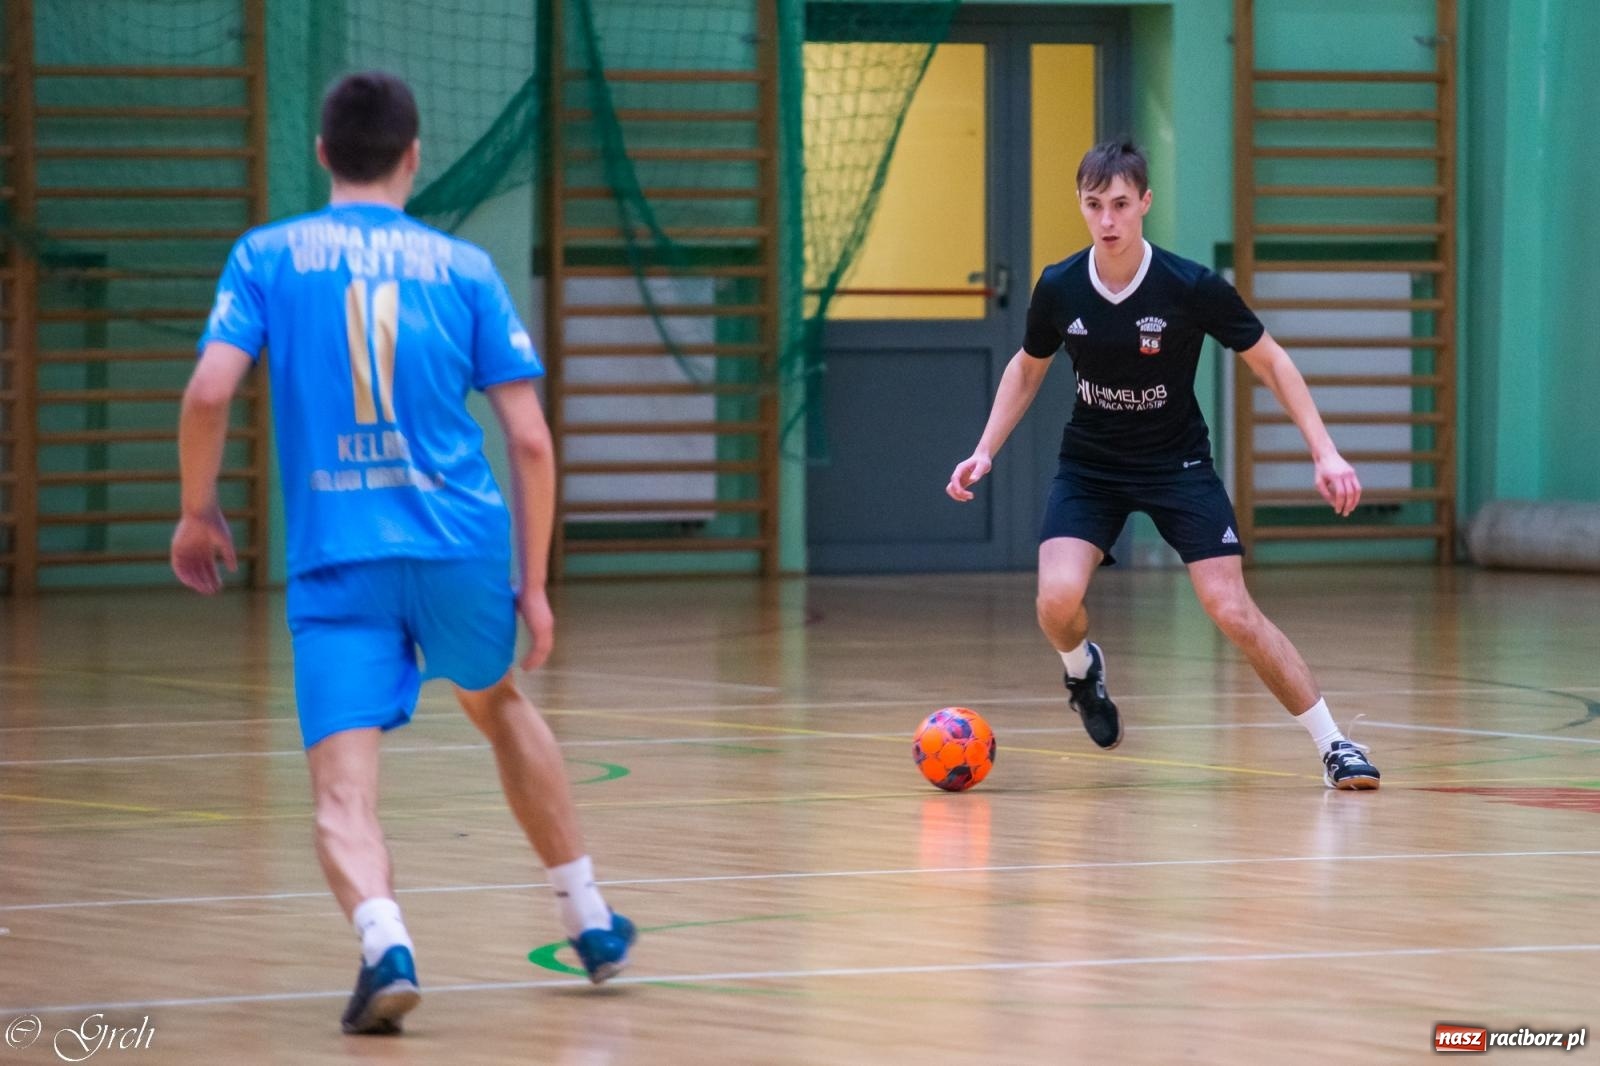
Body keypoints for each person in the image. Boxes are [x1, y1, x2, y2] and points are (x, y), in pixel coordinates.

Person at [171, 71, 635, 1035]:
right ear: (414, 157)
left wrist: (197, 509)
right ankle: (587, 917)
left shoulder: (267, 256)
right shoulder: (462, 268)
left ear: (324, 155)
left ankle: (386, 944)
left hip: (340, 557)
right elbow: (533, 439)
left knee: (344, 787)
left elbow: (211, 391)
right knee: (497, 702)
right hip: (459, 542)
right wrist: (536, 587)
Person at [945, 139, 1379, 791]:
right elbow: (1027, 368)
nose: (1109, 219)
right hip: (1091, 464)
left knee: (1231, 609)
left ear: (1145, 202)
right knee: (1056, 601)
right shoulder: (1061, 287)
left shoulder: (1189, 286)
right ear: (1082, 207)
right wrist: (984, 449)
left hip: (1178, 464)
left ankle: (1334, 744)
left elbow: (1271, 360)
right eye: (1095, 205)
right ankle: (1081, 670)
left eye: (1121, 204)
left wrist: (1324, 449)